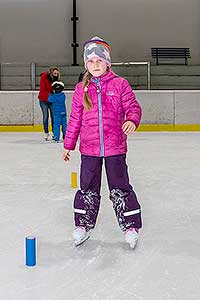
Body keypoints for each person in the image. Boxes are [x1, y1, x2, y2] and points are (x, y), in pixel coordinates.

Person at [63, 36, 142, 249]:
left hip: (115, 146)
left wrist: (131, 120)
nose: (95, 65)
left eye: (99, 61)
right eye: (91, 61)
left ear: (108, 62)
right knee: (87, 188)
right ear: (86, 64)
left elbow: (133, 107)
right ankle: (83, 225)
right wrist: (69, 145)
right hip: (89, 149)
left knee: (120, 188)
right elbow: (75, 118)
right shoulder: (82, 88)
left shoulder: (120, 84)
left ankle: (130, 227)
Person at [38, 66, 60, 141]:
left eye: (57, 73)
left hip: (52, 100)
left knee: (54, 117)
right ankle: (46, 132)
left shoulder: (56, 80)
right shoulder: (44, 77)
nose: (56, 75)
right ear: (51, 73)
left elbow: (57, 90)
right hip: (43, 99)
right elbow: (44, 88)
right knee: (45, 116)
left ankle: (54, 133)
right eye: (54, 73)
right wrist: (53, 89)